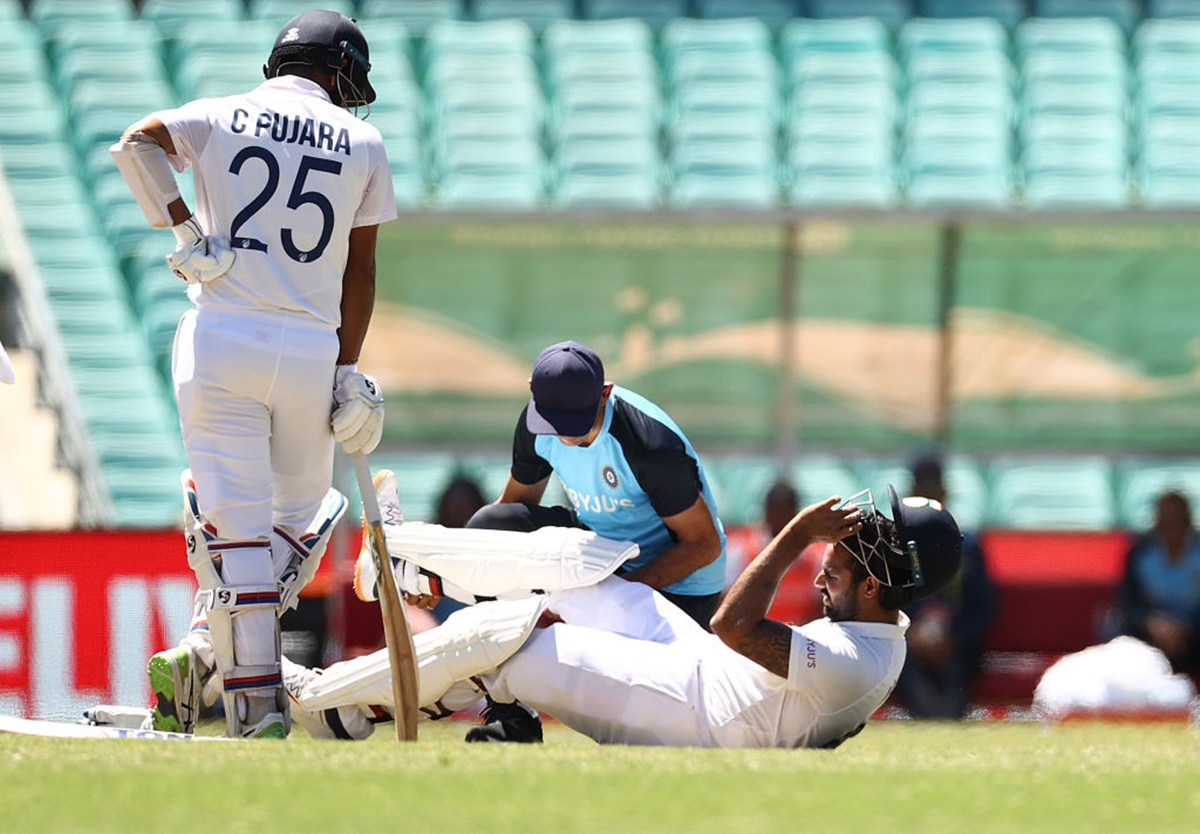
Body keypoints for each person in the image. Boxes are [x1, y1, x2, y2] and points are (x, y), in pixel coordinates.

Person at [109, 9, 396, 738]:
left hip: (220, 332)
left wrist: (184, 229)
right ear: (335, 71)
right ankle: (247, 700)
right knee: (301, 520)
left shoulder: (218, 113)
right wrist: (348, 368)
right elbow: (360, 271)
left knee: (236, 530)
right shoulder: (362, 139)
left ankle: (214, 662)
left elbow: (134, 145)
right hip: (306, 346)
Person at [287, 474, 964, 748]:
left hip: (696, 713)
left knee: (509, 642)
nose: (831, 558)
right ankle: (406, 563)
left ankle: (319, 699)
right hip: (704, 667)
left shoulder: (859, 662)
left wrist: (794, 535)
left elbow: (733, 625)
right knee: (574, 565)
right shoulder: (876, 618)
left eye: (851, 550)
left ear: (877, 584)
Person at [457, 339, 728, 741]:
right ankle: (511, 718)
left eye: (576, 423)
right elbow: (513, 511)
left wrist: (597, 599)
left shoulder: (649, 444)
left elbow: (704, 545)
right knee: (489, 529)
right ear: (532, 389)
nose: (564, 437)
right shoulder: (536, 423)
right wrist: (449, 572)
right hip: (600, 557)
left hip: (680, 585)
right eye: (554, 422)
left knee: (649, 723)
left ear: (606, 393)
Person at [893, 452, 996, 719]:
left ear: (944, 491)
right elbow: (883, 598)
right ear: (911, 491)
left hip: (957, 644)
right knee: (900, 658)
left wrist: (954, 638)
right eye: (921, 487)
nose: (929, 494)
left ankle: (948, 717)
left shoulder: (968, 545)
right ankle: (930, 719)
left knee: (960, 664)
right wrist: (909, 633)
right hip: (908, 642)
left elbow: (982, 607)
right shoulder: (894, 544)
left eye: (933, 487)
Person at [1112, 489, 1200, 675]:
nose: (1172, 527)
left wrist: (1186, 627)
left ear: (1189, 521)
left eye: (1178, 520)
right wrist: (1152, 623)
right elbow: (1128, 604)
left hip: (1193, 633)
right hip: (1148, 632)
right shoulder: (1140, 552)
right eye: (1166, 520)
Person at [723, 477, 825, 625]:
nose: (780, 518)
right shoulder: (740, 550)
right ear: (766, 511)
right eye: (776, 511)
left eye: (785, 511)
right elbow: (723, 603)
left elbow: (820, 608)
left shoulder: (815, 557)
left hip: (798, 643)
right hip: (745, 644)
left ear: (795, 514)